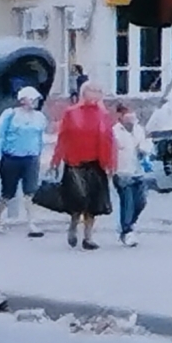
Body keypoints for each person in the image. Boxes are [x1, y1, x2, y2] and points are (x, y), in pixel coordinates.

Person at [50, 80, 116, 253]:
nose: (94, 94)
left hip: (96, 162)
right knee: (78, 199)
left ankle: (88, 236)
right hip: (75, 162)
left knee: (93, 203)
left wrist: (110, 163)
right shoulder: (71, 112)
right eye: (91, 90)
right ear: (83, 92)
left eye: (98, 91)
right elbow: (63, 137)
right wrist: (55, 160)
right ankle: (73, 225)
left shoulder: (103, 114)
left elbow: (109, 140)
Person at [0, 87, 49, 238]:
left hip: (31, 158)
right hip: (11, 157)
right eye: (32, 98)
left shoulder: (40, 117)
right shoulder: (10, 114)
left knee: (30, 192)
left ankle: (32, 223)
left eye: (36, 99)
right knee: (7, 192)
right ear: (23, 99)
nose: (35, 101)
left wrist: (40, 154)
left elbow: (40, 137)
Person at [110, 102, 154, 247]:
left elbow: (146, 144)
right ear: (120, 116)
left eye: (131, 113)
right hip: (122, 172)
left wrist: (145, 150)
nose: (130, 116)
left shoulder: (138, 129)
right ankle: (127, 230)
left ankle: (129, 223)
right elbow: (111, 151)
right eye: (126, 113)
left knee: (140, 201)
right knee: (127, 202)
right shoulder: (114, 131)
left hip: (138, 171)